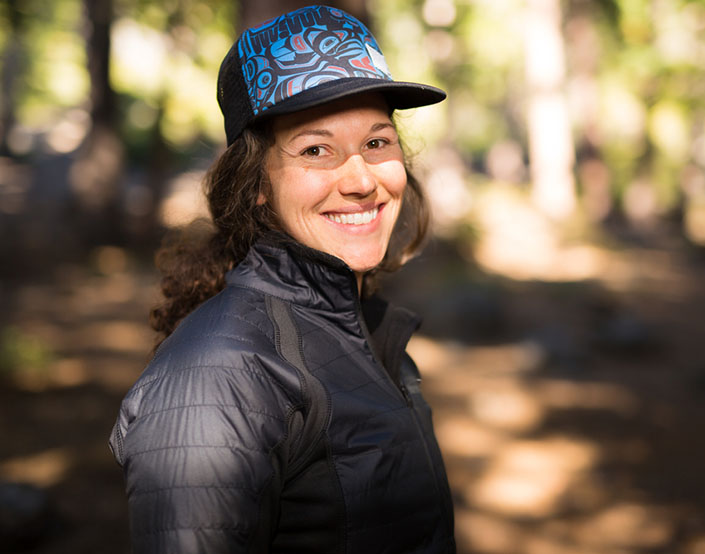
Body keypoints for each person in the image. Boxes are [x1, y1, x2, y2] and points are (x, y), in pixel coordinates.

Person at [108, 5, 455, 553]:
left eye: (377, 142)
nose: (361, 179)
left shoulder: (363, 326)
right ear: (257, 182)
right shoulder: (218, 380)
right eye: (317, 150)